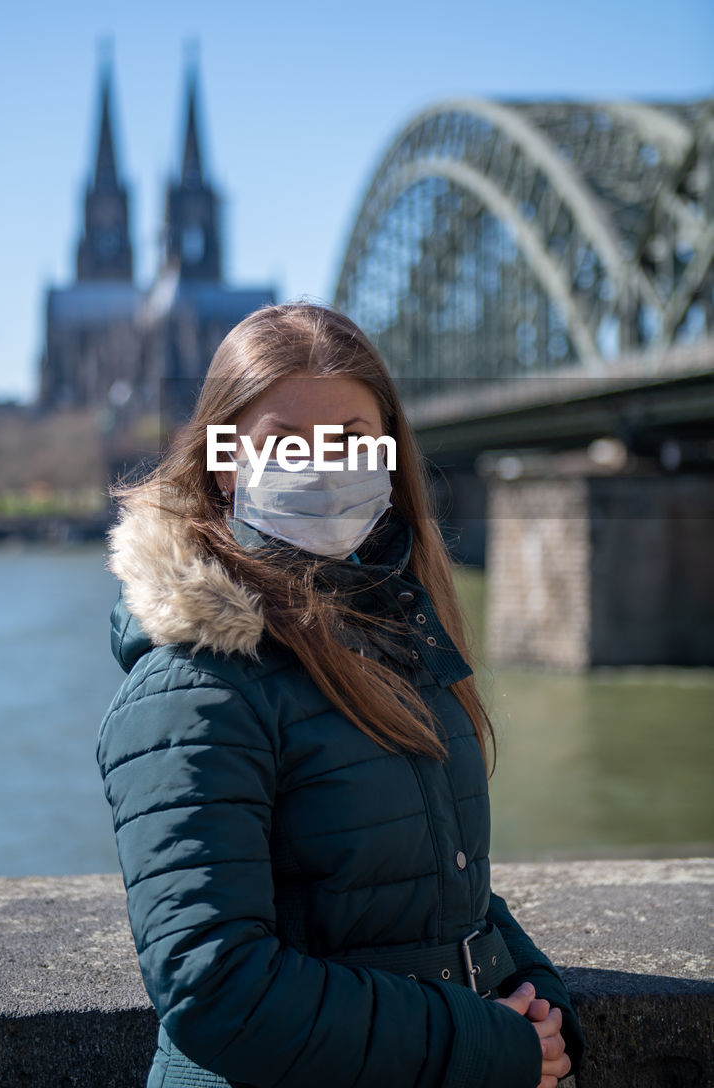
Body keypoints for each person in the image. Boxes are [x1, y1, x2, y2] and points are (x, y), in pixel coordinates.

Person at [97, 301, 584, 1088]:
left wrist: (535, 998)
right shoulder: (193, 686)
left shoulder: (394, 633)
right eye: (286, 443)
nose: (326, 465)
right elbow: (216, 988)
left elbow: (444, 887)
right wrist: (484, 1047)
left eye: (354, 440)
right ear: (224, 463)